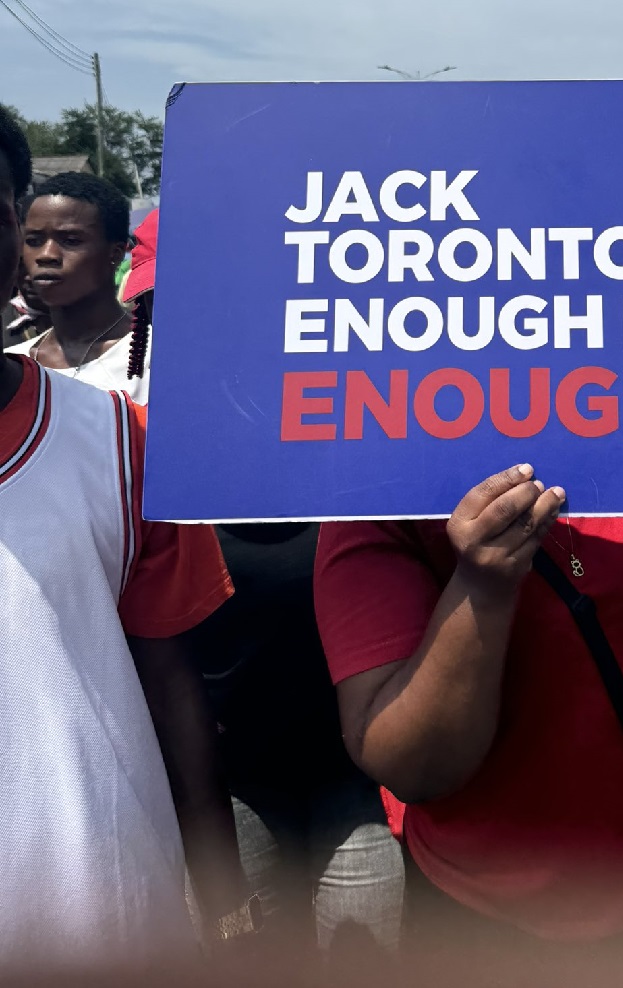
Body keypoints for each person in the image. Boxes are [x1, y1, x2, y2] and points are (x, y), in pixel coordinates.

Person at [314, 468, 623, 950]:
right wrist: (481, 587)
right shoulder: (378, 501)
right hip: (496, 925)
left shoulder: (609, 459)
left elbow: (602, 586)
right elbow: (411, 767)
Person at [98, 209, 408, 964]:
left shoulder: (373, 427)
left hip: (360, 773)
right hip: (225, 785)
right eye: (172, 304)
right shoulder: (130, 444)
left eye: (221, 299)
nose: (202, 326)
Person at [0, 106, 253, 966]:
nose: (46, 254)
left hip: (108, 920)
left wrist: (223, 895)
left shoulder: (122, 438)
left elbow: (173, 679)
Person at [9, 171, 150, 403]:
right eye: (33, 241)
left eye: (70, 241)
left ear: (115, 253)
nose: (46, 255)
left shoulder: (154, 359)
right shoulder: (12, 368)